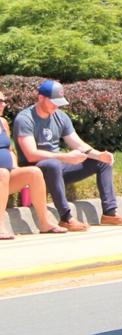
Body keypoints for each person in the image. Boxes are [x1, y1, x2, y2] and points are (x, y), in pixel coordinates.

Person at [13, 80, 122, 230]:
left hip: (57, 168)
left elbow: (78, 143)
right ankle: (66, 218)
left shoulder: (60, 117)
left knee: (102, 163)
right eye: (53, 102)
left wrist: (99, 155)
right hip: (36, 170)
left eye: (59, 102)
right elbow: (31, 155)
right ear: (41, 98)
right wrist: (65, 157)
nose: (56, 106)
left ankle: (110, 213)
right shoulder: (25, 119)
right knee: (53, 164)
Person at [1, 93, 67, 239]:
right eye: (0, 101)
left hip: (5, 177)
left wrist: (15, 167)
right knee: (2, 174)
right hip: (1, 176)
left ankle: (44, 223)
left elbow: (9, 150)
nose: (4, 104)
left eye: (4, 101)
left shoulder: (3, 123)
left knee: (34, 172)